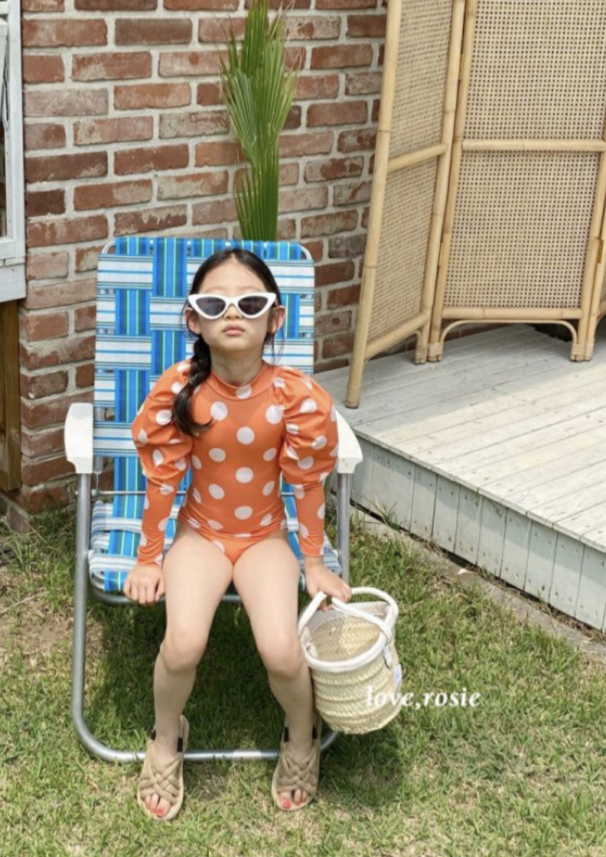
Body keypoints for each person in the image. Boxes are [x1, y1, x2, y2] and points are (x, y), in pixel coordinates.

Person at [123, 245, 352, 821]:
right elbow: (161, 481)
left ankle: (301, 735)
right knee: (182, 644)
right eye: (214, 302)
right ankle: (166, 738)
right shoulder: (181, 393)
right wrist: (149, 558)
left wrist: (316, 560)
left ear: (275, 318)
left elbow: (306, 483)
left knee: (281, 648)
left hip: (264, 539)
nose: (233, 313)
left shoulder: (292, 399)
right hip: (199, 535)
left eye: (250, 302)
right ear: (193, 320)